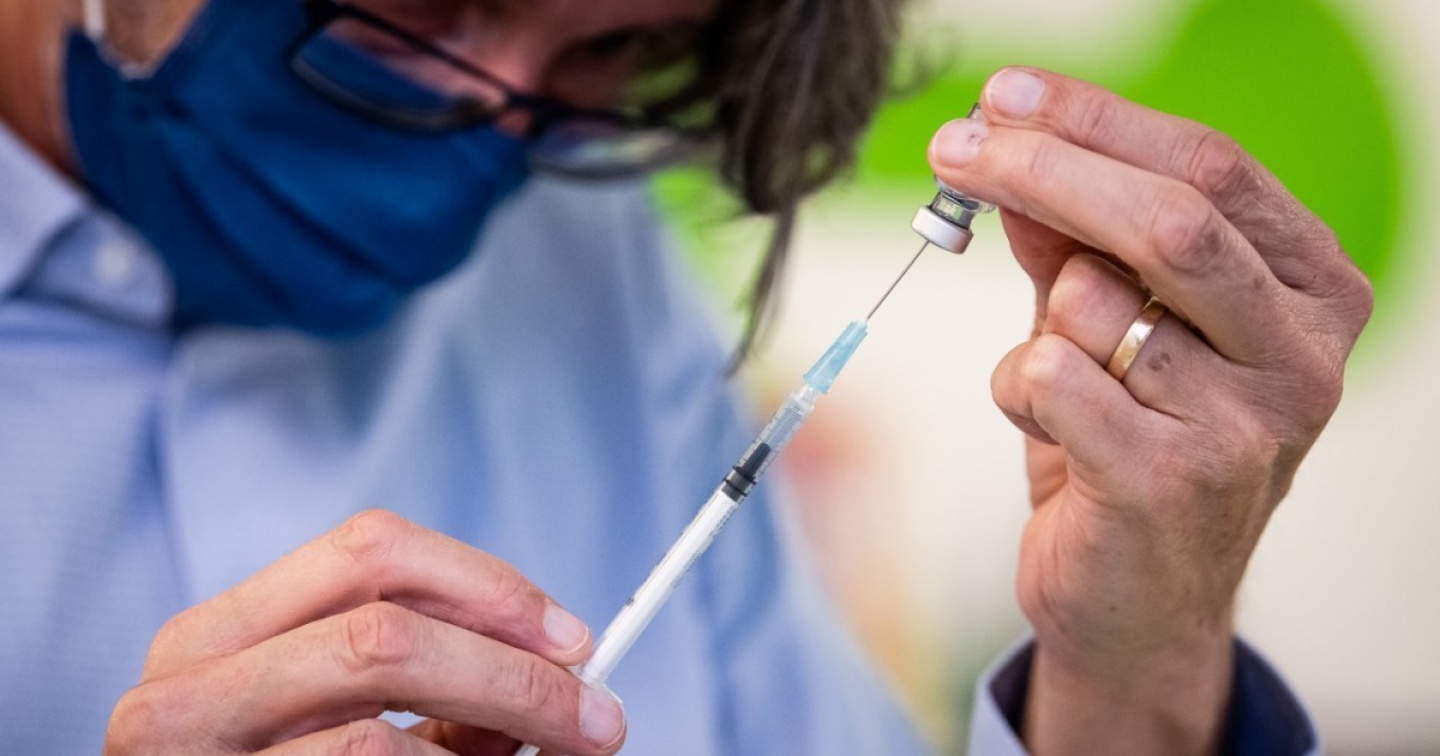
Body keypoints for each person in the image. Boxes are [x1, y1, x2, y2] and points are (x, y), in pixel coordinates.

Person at [0, 0, 1372, 753]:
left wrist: (1130, 676)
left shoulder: (583, 254)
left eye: (607, 49)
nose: (483, 127)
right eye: (426, 3)